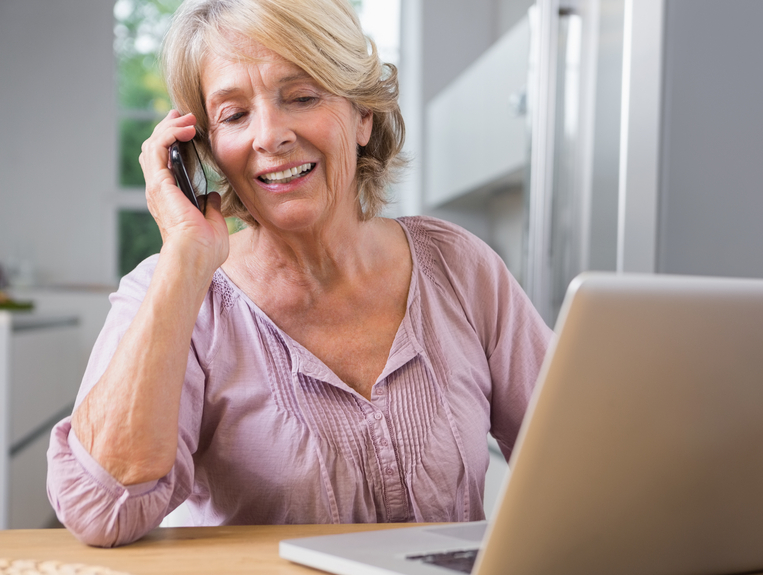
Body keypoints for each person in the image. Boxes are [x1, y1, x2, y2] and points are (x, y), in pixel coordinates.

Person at [47, 0, 551, 547]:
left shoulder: (460, 267)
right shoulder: (171, 291)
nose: (269, 136)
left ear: (363, 116)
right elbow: (102, 511)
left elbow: (582, 455)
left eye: (303, 97)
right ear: (204, 151)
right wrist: (184, 261)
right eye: (234, 115)